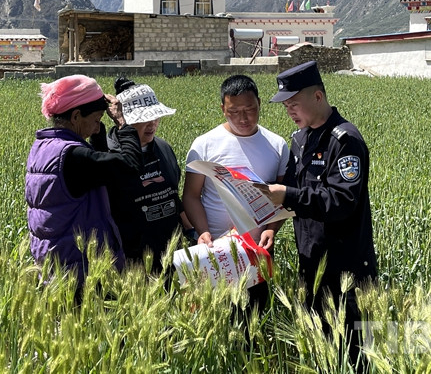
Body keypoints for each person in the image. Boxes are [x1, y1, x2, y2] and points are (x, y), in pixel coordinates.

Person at [260, 60, 377, 370]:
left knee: (354, 355)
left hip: (344, 267)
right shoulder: (300, 139)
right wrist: (272, 224)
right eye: (285, 106)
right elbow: (292, 188)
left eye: (294, 103)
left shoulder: (345, 140)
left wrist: (288, 196)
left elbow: (340, 201)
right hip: (311, 263)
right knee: (320, 350)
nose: (289, 111)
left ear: (318, 96)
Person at [25, 74, 142, 292]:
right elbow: (129, 167)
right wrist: (122, 123)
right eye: (97, 120)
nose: (97, 128)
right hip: (81, 275)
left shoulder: (43, 147)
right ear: (76, 116)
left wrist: (97, 136)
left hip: (56, 268)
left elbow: (96, 173)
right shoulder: (73, 157)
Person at [183, 74, 290, 308]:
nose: (243, 118)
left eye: (250, 109)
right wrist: (202, 231)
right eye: (234, 111)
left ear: (259, 104)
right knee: (215, 315)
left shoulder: (277, 145)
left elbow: (283, 198)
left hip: (256, 251)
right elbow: (191, 195)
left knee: (255, 315)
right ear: (223, 109)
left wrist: (271, 229)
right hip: (215, 251)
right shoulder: (204, 144)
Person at [101, 77, 187, 272]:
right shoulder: (107, 154)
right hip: (130, 263)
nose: (152, 124)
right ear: (124, 119)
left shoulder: (163, 148)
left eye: (155, 117)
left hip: (172, 255)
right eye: (143, 119)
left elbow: (175, 196)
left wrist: (192, 231)